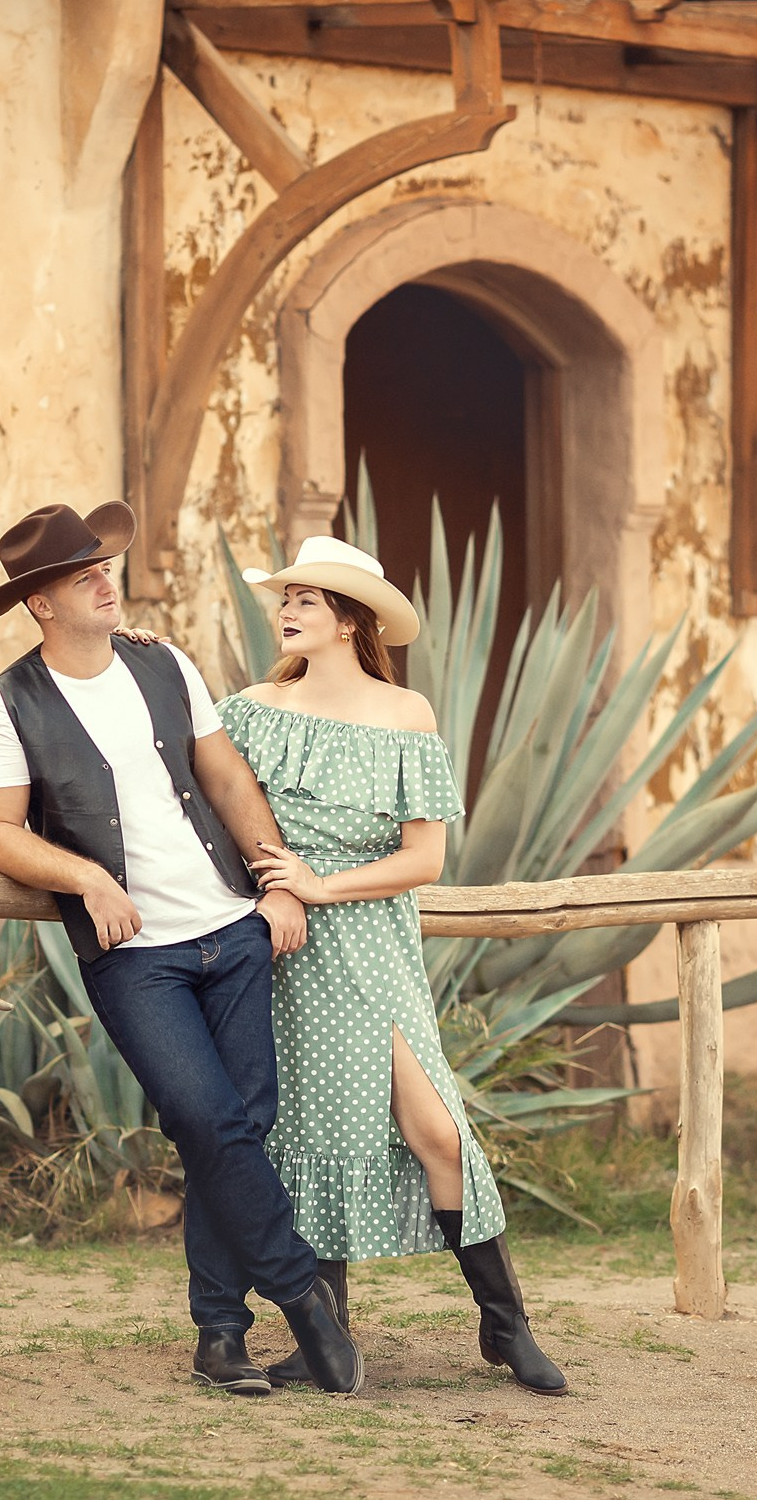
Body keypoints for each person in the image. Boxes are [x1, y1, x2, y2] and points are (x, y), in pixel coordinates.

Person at [0, 500, 364, 1398]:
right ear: (41, 603)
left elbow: (224, 774)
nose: (107, 579)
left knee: (237, 1128)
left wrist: (276, 881)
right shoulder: (3, 706)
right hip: (136, 956)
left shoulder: (162, 661)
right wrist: (89, 879)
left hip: (230, 927)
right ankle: (303, 1297)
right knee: (210, 1120)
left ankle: (220, 1334)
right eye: (83, 575)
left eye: (104, 566)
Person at [218, 534, 567, 1397]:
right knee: (313, 1127)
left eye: (305, 598)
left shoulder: (406, 713)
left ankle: (503, 1325)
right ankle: (321, 1336)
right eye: (286, 597)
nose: (287, 610)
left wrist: (318, 883)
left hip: (373, 946)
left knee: (438, 1129)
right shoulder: (251, 708)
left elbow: (425, 860)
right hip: (286, 947)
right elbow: (215, 799)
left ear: (349, 619)